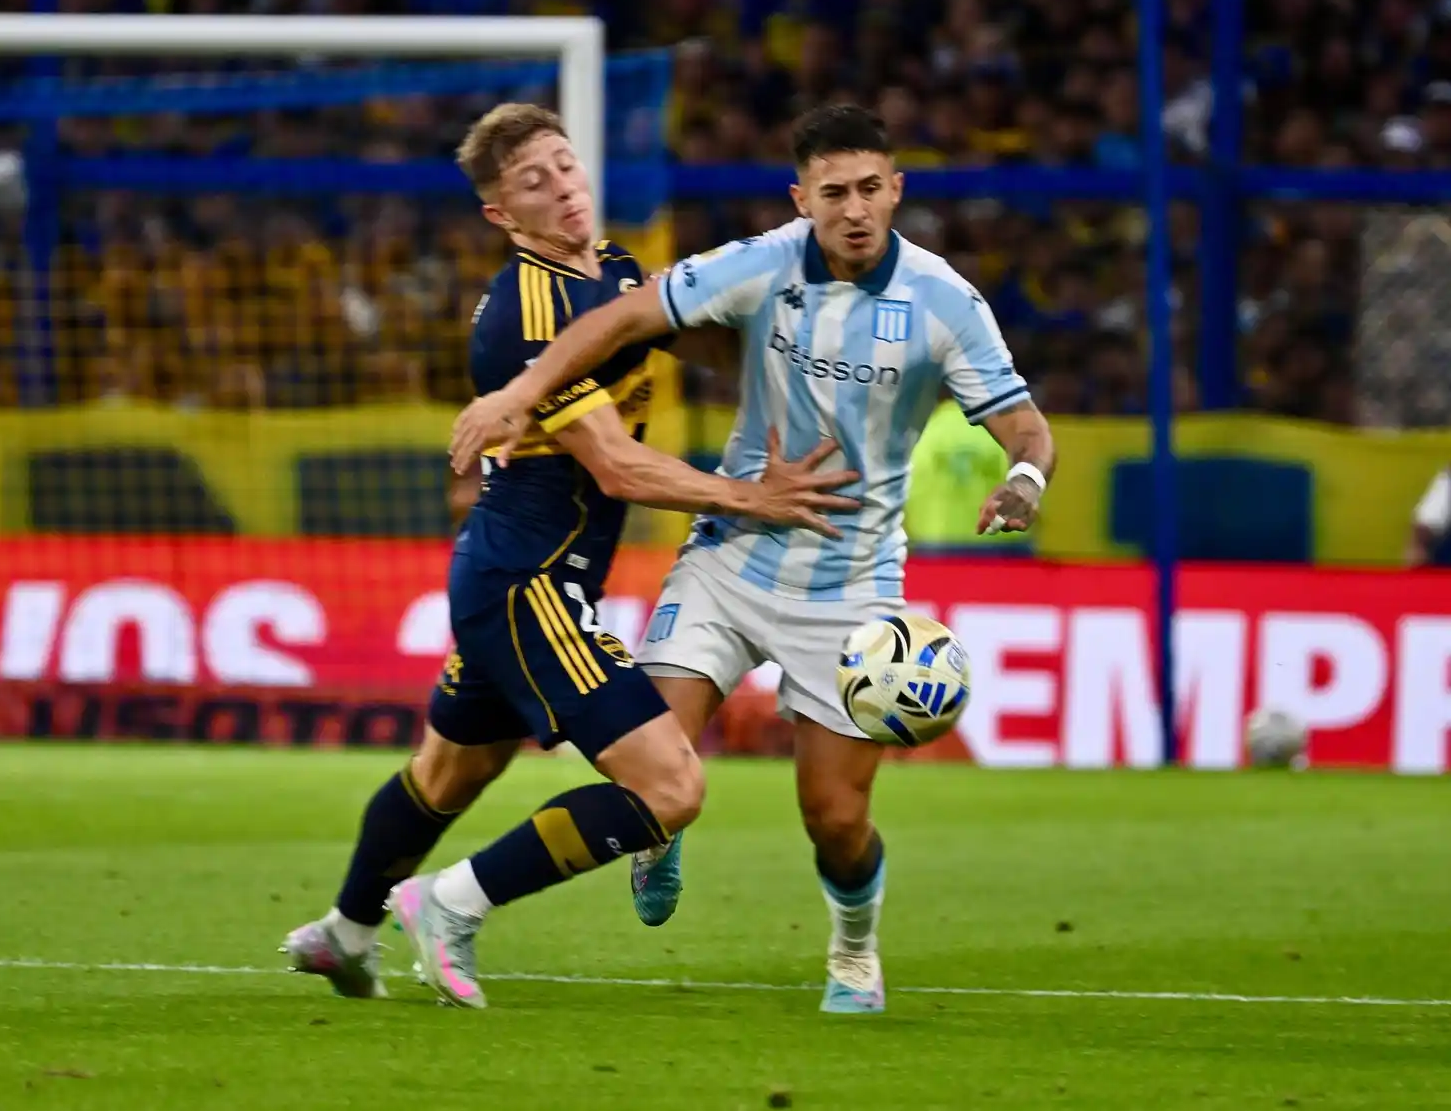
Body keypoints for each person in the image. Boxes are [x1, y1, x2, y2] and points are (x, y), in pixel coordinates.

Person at [449, 104, 1057, 1014]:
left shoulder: (944, 302)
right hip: (730, 556)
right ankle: (649, 834)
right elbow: (623, 316)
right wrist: (524, 388)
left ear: (896, 189)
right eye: (832, 193)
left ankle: (854, 949)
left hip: (851, 583)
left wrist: (1025, 480)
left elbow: (1024, 423)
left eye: (868, 189)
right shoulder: (762, 261)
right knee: (649, 757)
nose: (853, 209)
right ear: (801, 198)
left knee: (836, 818)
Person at [281, 103, 860, 1007]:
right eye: (532, 182)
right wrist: (754, 495)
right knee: (669, 787)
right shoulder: (524, 310)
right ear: (501, 216)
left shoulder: (619, 270)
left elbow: (700, 313)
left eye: (564, 164)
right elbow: (618, 467)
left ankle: (343, 934)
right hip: (529, 581)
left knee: (449, 770)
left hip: (508, 574)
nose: (562, 187)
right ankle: (447, 904)